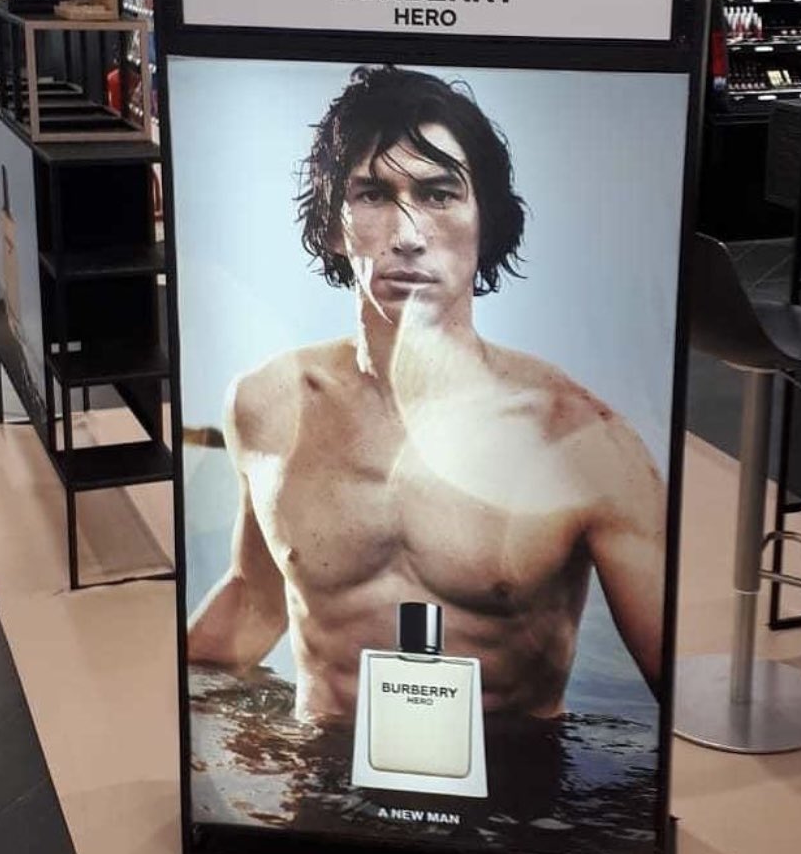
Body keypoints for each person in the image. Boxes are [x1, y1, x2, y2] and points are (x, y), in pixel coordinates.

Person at [187, 64, 666, 725]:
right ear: (332, 227)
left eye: (440, 194)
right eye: (373, 194)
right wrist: (175, 719)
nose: (408, 235)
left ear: (486, 222)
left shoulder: (581, 440)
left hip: (515, 778)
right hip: (321, 763)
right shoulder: (267, 403)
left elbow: (672, 682)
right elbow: (257, 600)